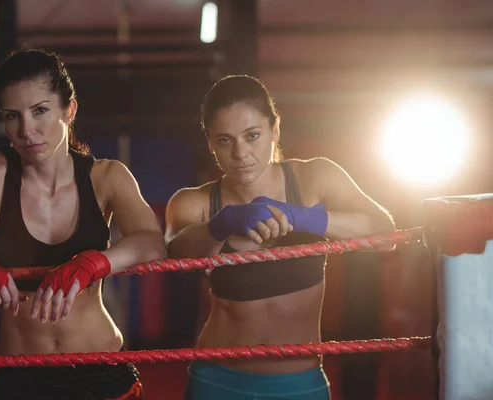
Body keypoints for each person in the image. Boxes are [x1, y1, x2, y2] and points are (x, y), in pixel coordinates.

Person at [0, 49, 166, 400]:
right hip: (22, 378)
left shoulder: (108, 177)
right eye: (12, 116)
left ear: (70, 110)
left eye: (40, 111)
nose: (26, 130)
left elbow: (152, 241)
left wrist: (94, 263)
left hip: (100, 371)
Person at [165, 75, 395, 400]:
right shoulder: (195, 202)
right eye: (225, 140)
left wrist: (306, 217)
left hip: (299, 381)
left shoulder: (314, 177)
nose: (240, 153)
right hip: (218, 380)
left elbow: (385, 231)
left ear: (275, 129)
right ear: (210, 143)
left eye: (252, 135)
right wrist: (222, 223)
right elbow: (174, 257)